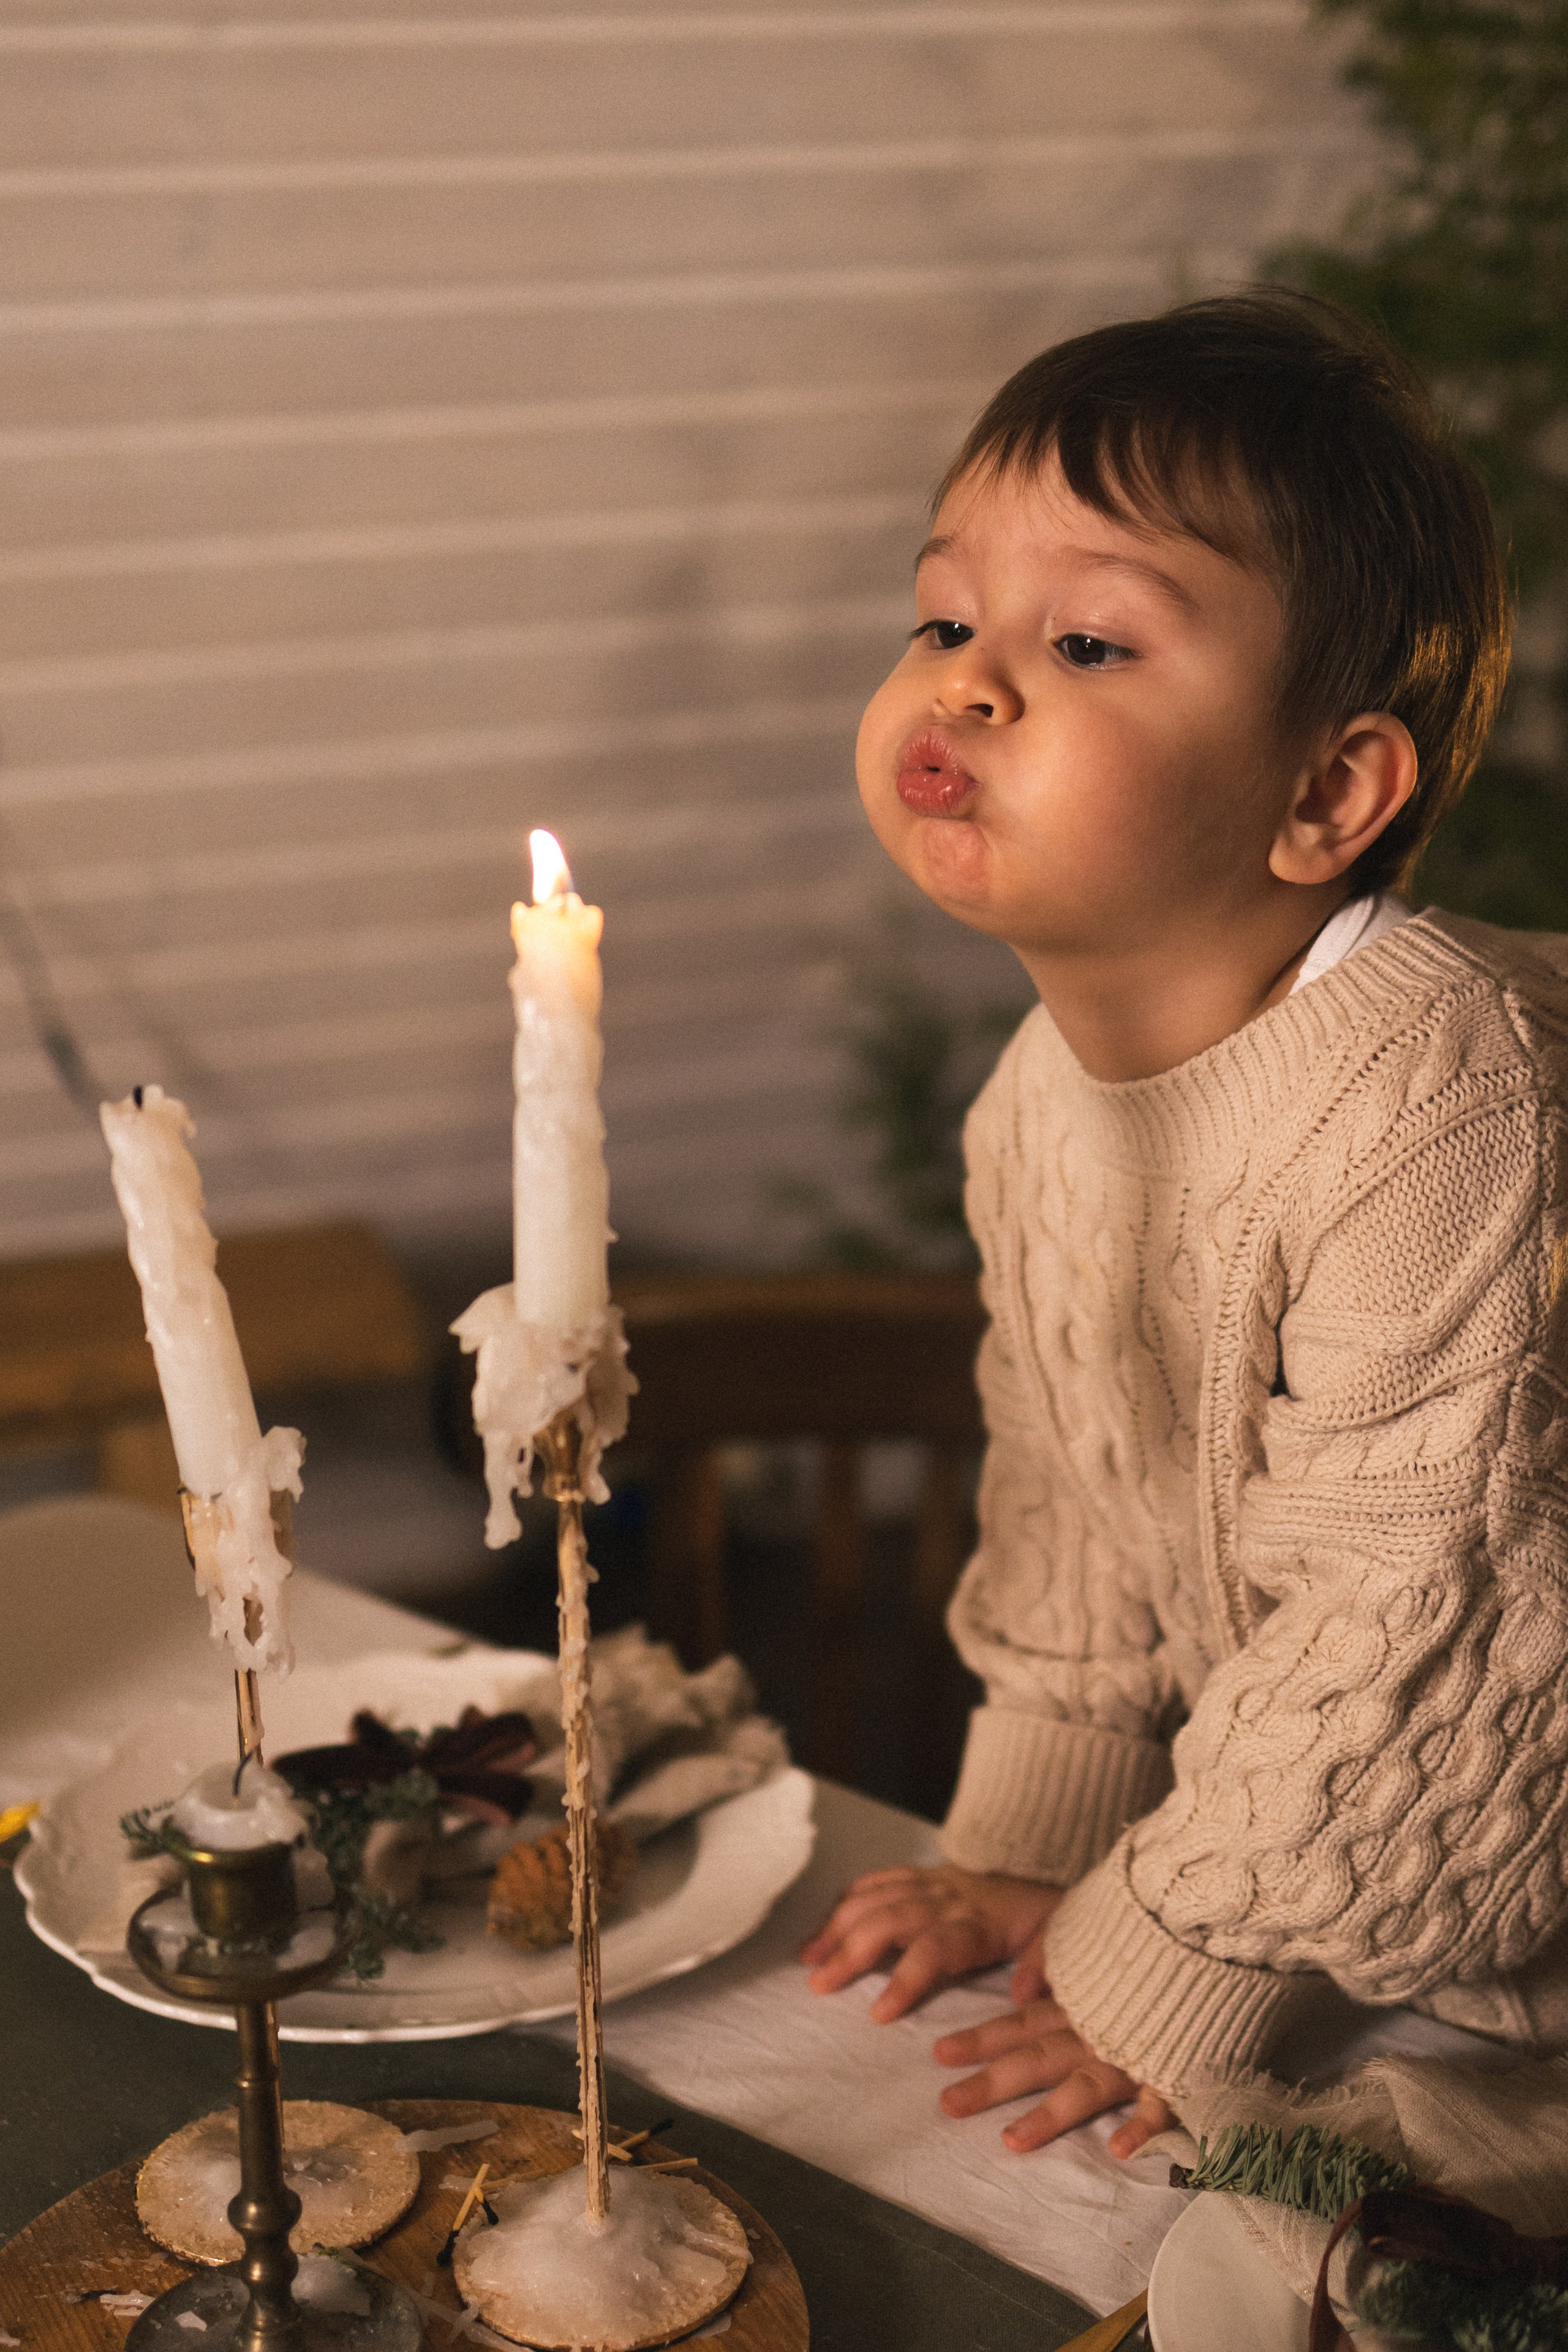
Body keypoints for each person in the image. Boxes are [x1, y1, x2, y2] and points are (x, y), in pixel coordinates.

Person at [799, 291, 1568, 2164]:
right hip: (1346, 1877)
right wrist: (1031, 1850)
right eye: (944, 615)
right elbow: (1080, 1493)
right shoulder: (1033, 1105)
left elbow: (1426, 1619)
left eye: (1082, 639)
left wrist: (1153, 1961)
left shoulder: (1450, 1100)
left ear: (1326, 793)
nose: (968, 680)